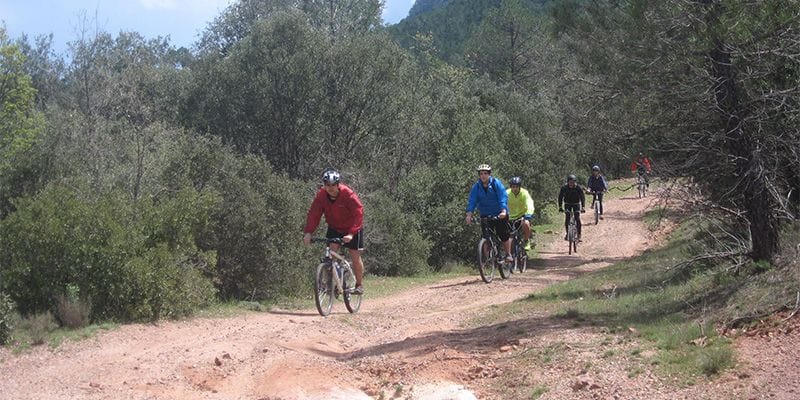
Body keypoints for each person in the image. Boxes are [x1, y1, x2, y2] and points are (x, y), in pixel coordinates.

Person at [303, 169, 365, 295]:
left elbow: (358, 213)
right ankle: (331, 284)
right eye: (327, 185)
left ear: (338, 184)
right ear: (324, 185)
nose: (330, 188)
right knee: (330, 255)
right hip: (335, 227)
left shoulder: (348, 194)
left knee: (355, 256)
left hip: (352, 228)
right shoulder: (321, 196)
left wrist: (351, 233)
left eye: (333, 185)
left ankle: (359, 284)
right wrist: (309, 232)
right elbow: (314, 214)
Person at [465, 164, 513, 264]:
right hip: (485, 214)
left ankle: (508, 254)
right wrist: (469, 214)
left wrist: (503, 210)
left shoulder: (496, 183)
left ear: (489, 174)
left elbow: (502, 197)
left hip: (499, 213)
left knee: (503, 234)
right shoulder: (476, 187)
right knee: (486, 237)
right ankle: (488, 260)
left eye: (485, 173)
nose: (483, 176)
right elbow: (472, 201)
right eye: (481, 174)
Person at [506, 176, 535, 251]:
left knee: (526, 223)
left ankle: (526, 241)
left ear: (519, 187)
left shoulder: (524, 193)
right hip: (509, 217)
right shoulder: (506, 193)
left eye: (516, 187)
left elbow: (529, 203)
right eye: (513, 187)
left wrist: (528, 214)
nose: (514, 189)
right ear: (510, 187)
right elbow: (501, 203)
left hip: (522, 216)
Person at [558, 174, 586, 241]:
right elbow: (560, 197)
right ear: (567, 182)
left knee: (577, 218)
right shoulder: (564, 188)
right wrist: (560, 207)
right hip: (567, 204)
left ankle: (579, 235)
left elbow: (582, 197)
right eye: (570, 182)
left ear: (575, 182)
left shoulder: (578, 188)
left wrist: (583, 207)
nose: (571, 184)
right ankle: (568, 233)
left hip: (576, 204)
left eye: (573, 182)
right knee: (567, 217)